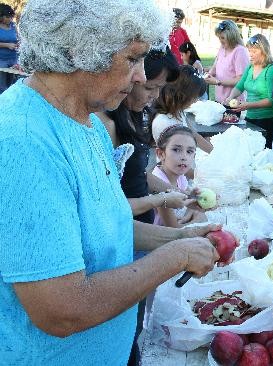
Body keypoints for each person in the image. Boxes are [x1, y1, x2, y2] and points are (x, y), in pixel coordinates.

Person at [0, 1, 219, 365]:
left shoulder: (88, 124)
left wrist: (180, 237)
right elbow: (62, 309)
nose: (139, 77)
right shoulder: (21, 141)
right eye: (133, 58)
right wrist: (175, 256)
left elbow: (109, 225)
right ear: (78, 49)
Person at [100, 47, 193, 226]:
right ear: (132, 78)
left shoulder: (133, 114)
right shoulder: (106, 125)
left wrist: (178, 193)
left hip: (142, 225)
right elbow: (108, 207)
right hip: (126, 229)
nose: (156, 95)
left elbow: (137, 174)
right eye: (150, 87)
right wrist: (161, 200)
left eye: (161, 88)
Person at [225, 34, 273, 148]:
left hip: (266, 120)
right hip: (250, 118)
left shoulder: (271, 69)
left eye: (254, 51)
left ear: (264, 51)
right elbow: (239, 87)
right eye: (249, 51)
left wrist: (248, 105)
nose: (251, 54)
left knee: (262, 152)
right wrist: (230, 97)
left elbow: (272, 100)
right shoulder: (250, 67)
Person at [152, 64, 213, 154]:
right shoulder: (166, 123)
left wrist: (214, 152)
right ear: (182, 95)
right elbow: (177, 159)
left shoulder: (178, 112)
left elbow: (193, 134)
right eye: (195, 97)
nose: (196, 100)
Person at [152, 125, 197, 228]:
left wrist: (190, 213)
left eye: (189, 151)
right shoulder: (157, 184)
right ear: (161, 153)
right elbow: (174, 228)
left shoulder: (180, 176)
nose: (184, 157)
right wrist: (198, 219)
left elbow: (189, 201)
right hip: (160, 237)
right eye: (176, 150)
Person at [204, 20, 249, 104]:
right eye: (219, 37)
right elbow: (215, 67)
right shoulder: (222, 48)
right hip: (220, 100)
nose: (220, 40)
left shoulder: (240, 51)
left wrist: (218, 82)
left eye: (223, 38)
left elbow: (241, 80)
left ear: (231, 37)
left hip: (233, 102)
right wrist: (208, 75)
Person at [0, 3, 17, 94]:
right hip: (1, 60)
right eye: (8, 17)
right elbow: (8, 43)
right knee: (2, 86)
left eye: (11, 17)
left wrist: (19, 43)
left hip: (13, 59)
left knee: (12, 84)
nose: (10, 19)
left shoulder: (13, 25)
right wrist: (7, 45)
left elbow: (17, 38)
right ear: (1, 16)